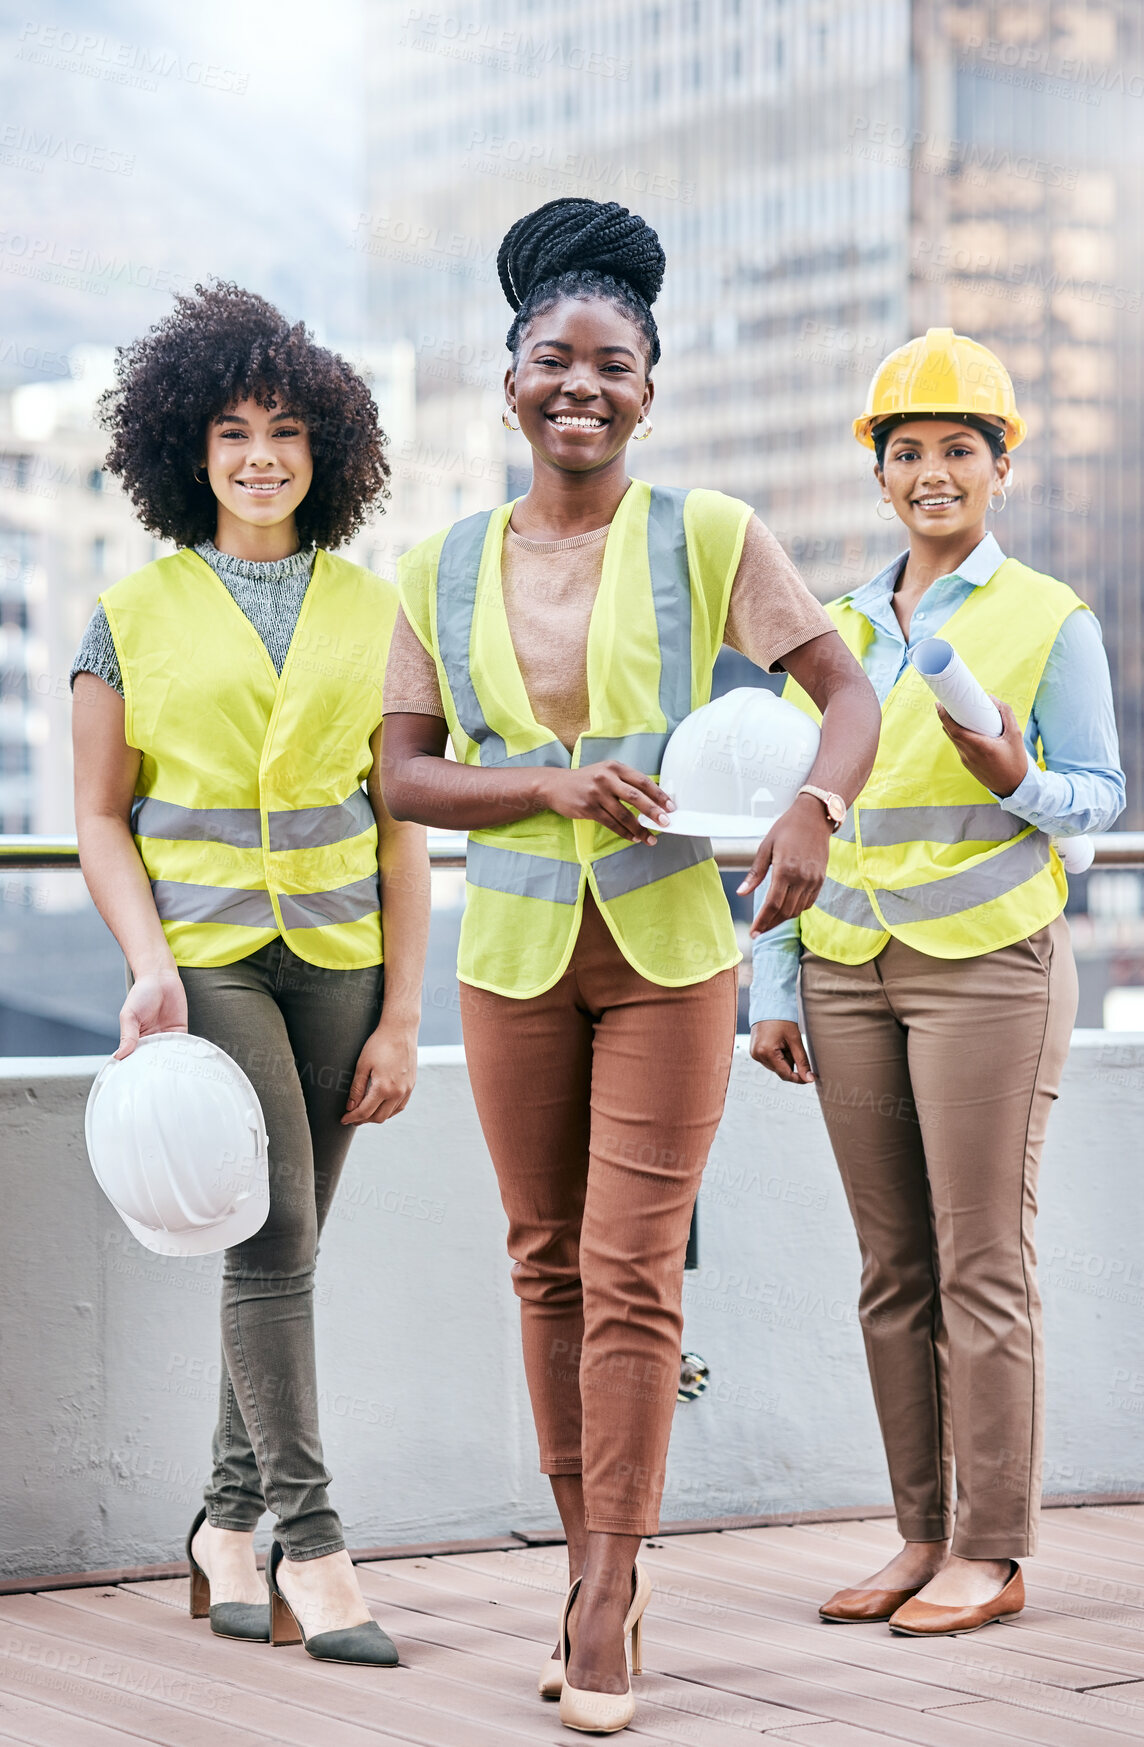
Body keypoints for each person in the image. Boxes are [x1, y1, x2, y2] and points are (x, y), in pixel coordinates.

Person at [382, 197, 881, 1731]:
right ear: (511, 377)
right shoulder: (442, 565)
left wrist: (814, 805)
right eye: (552, 358)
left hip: (671, 951)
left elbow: (845, 693)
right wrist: (541, 784)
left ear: (649, 391)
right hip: (517, 955)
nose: (578, 383)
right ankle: (589, 1552)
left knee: (630, 1270)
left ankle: (607, 1585)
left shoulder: (708, 535)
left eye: (612, 363)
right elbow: (401, 778)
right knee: (544, 1260)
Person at [71, 283, 430, 1666]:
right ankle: (314, 1546)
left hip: (341, 968)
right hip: (209, 964)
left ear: (328, 449)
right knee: (272, 1244)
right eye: (232, 431)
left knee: (281, 1252)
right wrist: (148, 966)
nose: (261, 455)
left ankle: (222, 1524)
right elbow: (103, 814)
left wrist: (404, 1014)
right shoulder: (132, 611)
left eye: (286, 429)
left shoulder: (378, 610)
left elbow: (402, 829)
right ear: (189, 450)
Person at [750, 328, 1125, 1636]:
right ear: (880, 472)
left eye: (958, 449)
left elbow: (1099, 797)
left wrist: (1015, 776)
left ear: (1000, 466)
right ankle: (918, 1535)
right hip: (848, 970)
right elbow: (788, 814)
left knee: (981, 1263)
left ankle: (993, 1550)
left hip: (989, 976)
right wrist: (771, 982)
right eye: (906, 450)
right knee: (892, 1267)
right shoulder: (844, 628)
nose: (931, 472)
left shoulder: (1046, 619)